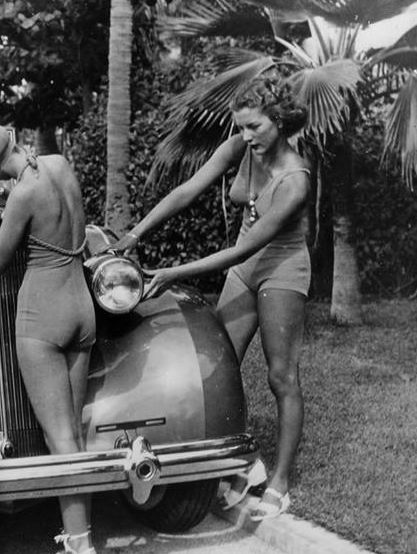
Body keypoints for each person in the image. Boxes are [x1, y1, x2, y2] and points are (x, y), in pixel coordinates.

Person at [115, 74, 311, 521]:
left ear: (279, 121)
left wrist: (170, 273)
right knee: (216, 368)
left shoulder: (296, 178)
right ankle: (247, 464)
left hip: (281, 268)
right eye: (241, 127)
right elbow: (187, 191)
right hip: (246, 268)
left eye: (254, 127)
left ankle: (279, 481)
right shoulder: (241, 148)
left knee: (282, 377)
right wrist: (136, 233)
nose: (246, 136)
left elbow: (244, 248)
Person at [0, 119, 97, 554]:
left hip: (43, 315)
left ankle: (80, 552)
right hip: (82, 307)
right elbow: (54, 215)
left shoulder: (19, 195)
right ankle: (78, 541)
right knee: (72, 434)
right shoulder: (58, 164)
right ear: (12, 138)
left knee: (59, 439)